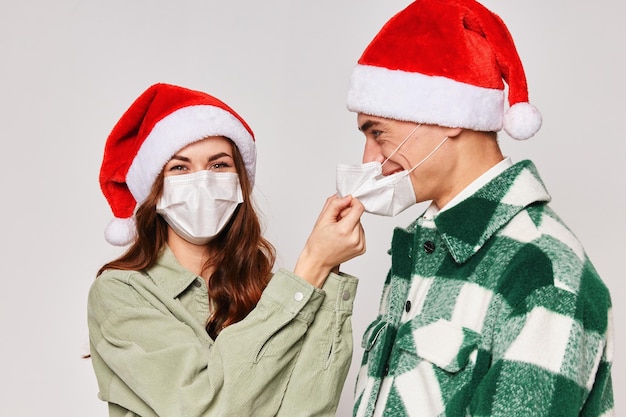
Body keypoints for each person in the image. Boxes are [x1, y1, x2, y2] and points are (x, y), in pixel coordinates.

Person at [335, 1, 614, 416]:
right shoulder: (422, 246)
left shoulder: (544, 273)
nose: (370, 159)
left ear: (447, 115)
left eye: (378, 133)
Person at [88, 82, 365, 417]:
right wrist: (311, 265)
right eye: (180, 167)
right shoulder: (122, 292)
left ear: (240, 182)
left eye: (219, 165)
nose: (203, 181)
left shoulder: (268, 293)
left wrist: (325, 273)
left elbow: (308, 408)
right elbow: (203, 407)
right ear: (155, 190)